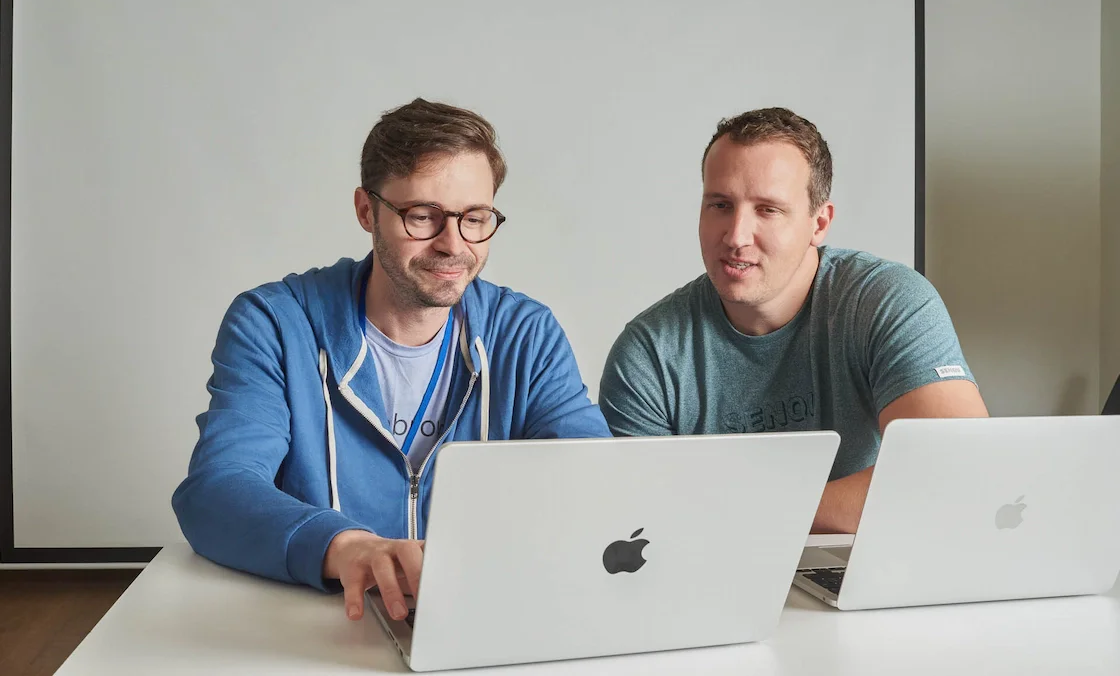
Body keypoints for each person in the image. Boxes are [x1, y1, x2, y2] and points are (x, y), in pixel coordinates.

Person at [173, 98, 609, 623]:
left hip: (478, 620)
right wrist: (347, 547)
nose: (453, 245)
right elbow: (216, 491)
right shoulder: (273, 324)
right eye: (422, 216)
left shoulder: (525, 333)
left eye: (475, 218)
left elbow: (596, 480)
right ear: (366, 211)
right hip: (318, 625)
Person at [599, 107, 988, 534]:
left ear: (819, 223)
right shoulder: (648, 354)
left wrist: (751, 513)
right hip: (718, 569)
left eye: (768, 210)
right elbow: (645, 523)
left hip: (870, 560)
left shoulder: (886, 302)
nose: (736, 236)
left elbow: (959, 469)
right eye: (720, 205)